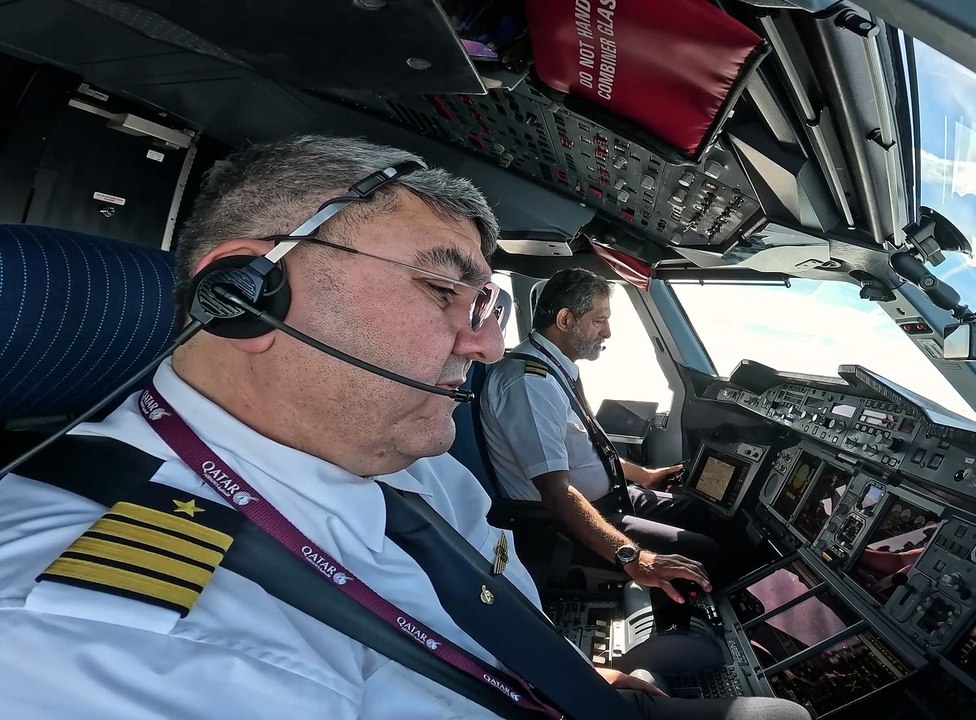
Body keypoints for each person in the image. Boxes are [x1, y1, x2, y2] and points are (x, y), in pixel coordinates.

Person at [0, 135, 807, 720]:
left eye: (487, 304)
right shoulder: (78, 638)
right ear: (247, 292)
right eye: (439, 290)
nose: (488, 342)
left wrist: (570, 682)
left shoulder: (413, 464)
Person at [480, 268, 744, 587]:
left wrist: (646, 477)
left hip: (611, 499)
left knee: (701, 512)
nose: (607, 333)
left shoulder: (555, 371)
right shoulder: (530, 384)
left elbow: (584, 453)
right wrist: (634, 557)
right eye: (599, 320)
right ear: (565, 320)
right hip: (564, 523)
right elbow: (556, 493)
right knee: (703, 552)